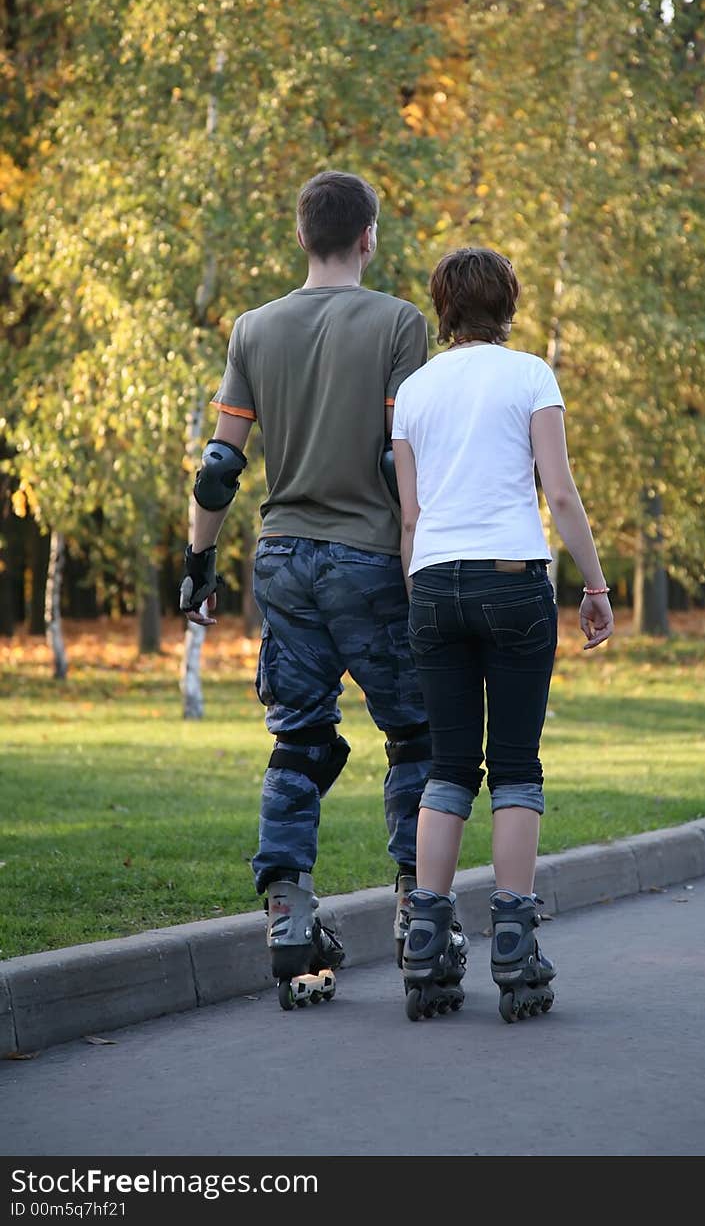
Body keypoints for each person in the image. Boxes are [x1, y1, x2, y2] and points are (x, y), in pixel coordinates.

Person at [179, 170, 433, 1010]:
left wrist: (197, 565)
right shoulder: (401, 323)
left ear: (300, 237)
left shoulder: (254, 328)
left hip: (282, 558)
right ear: (369, 237)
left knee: (298, 739)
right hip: (369, 561)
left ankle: (288, 917)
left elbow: (220, 469)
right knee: (412, 737)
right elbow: (406, 460)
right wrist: (419, 561)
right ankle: (413, 909)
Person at [391, 246, 614, 1023]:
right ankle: (514, 938)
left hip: (434, 585)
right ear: (507, 304)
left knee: (449, 766)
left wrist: (419, 591)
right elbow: (557, 488)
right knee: (515, 763)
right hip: (513, 580)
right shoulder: (529, 376)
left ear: (443, 307)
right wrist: (594, 583)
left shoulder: (412, 390)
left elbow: (410, 516)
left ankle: (425, 934)